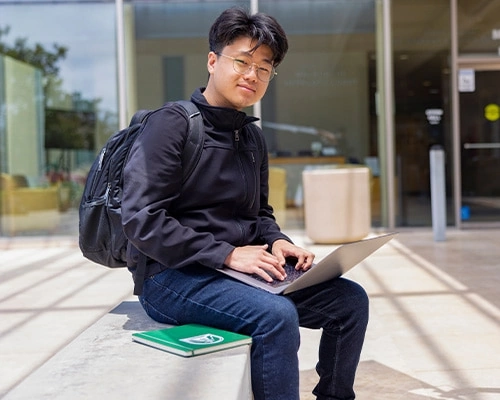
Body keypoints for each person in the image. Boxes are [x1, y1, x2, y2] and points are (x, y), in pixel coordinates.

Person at [122, 7, 368, 400]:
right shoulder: (171, 124)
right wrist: (227, 255)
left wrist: (278, 241)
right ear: (213, 60)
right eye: (242, 61)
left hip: (236, 273)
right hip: (170, 277)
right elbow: (140, 219)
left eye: (265, 68)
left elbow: (260, 215)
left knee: (349, 300)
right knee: (276, 316)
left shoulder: (251, 138)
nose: (252, 75)